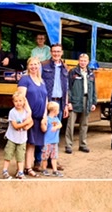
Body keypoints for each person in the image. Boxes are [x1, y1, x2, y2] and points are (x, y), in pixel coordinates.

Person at [39, 43, 69, 171]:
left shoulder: (65, 67)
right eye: (54, 51)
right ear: (51, 52)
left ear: (62, 53)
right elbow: (39, 83)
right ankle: (39, 160)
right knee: (43, 131)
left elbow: (66, 88)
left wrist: (66, 105)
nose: (56, 54)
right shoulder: (44, 65)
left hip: (59, 104)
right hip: (48, 103)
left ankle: (53, 160)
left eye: (58, 51)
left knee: (55, 132)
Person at [17, 56, 48, 178]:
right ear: (28, 66)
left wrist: (45, 116)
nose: (34, 67)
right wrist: (28, 112)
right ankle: (23, 168)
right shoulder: (25, 80)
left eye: (36, 64)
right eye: (31, 64)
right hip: (28, 118)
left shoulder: (42, 81)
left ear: (39, 66)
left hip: (39, 118)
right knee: (24, 144)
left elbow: (45, 99)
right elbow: (21, 98)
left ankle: (27, 167)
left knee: (32, 144)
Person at [65, 53, 97, 154]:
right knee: (71, 124)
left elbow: (94, 89)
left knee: (84, 124)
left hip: (87, 100)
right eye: (81, 60)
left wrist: (93, 102)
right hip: (75, 100)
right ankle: (68, 145)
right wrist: (69, 102)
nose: (83, 62)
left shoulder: (91, 73)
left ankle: (83, 144)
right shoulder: (73, 72)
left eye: (85, 61)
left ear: (88, 62)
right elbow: (68, 88)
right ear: (79, 61)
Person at [2, 92, 34, 179]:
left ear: (24, 102)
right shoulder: (12, 112)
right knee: (8, 154)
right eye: (16, 101)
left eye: (20, 101)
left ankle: (20, 172)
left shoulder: (26, 112)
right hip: (12, 138)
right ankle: (5, 170)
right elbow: (15, 126)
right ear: (13, 102)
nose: (18, 103)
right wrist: (25, 123)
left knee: (20, 156)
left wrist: (27, 126)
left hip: (22, 139)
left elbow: (31, 122)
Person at [40, 102, 64, 177]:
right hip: (47, 142)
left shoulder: (56, 119)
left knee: (54, 157)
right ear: (54, 110)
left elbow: (60, 124)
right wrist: (43, 123)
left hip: (54, 141)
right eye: (58, 110)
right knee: (45, 156)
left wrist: (56, 127)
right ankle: (44, 169)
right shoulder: (47, 119)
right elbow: (44, 128)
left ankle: (55, 170)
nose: (58, 111)